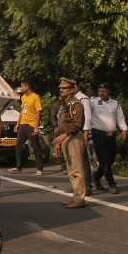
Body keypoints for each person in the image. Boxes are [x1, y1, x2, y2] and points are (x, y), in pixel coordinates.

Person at [51, 78, 87, 208]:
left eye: (65, 88)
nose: (61, 90)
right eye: (61, 88)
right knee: (70, 170)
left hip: (74, 137)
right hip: (66, 138)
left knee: (77, 169)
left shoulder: (76, 104)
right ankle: (75, 196)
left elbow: (77, 124)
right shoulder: (64, 104)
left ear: (72, 90)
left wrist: (64, 135)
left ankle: (80, 198)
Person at [89, 83, 127, 194]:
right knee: (104, 159)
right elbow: (85, 109)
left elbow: (120, 118)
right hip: (98, 134)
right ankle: (111, 183)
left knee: (110, 158)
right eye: (100, 91)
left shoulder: (115, 103)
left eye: (104, 91)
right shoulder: (93, 102)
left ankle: (96, 176)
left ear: (109, 92)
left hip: (111, 135)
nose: (101, 93)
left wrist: (124, 129)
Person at [9, 80, 43, 175]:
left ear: (27, 87)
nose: (21, 88)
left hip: (31, 124)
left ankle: (39, 168)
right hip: (23, 124)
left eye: (22, 86)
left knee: (36, 147)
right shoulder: (23, 97)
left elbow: (38, 112)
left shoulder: (35, 97)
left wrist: (36, 127)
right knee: (18, 146)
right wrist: (17, 124)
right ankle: (18, 167)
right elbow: (22, 111)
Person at [74, 80, 95, 196]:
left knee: (83, 160)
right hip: (71, 133)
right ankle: (76, 186)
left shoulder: (83, 99)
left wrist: (86, 132)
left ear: (77, 86)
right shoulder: (70, 99)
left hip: (81, 132)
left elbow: (88, 117)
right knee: (74, 162)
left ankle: (87, 185)